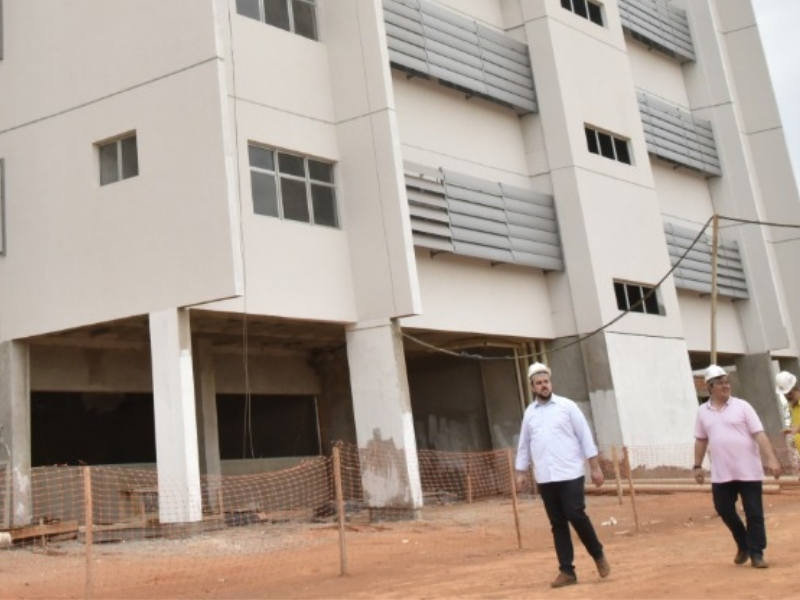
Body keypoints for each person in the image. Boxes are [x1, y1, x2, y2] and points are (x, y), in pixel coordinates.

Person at [515, 362, 609, 588]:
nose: (543, 386)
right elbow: (524, 445)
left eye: (546, 381)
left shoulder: (567, 406)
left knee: (575, 513)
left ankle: (597, 554)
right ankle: (567, 571)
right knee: (557, 523)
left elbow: (585, 435)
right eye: (539, 383)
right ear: (532, 387)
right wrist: (521, 471)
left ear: (551, 383)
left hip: (570, 472)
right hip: (546, 477)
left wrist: (595, 467)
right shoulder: (530, 414)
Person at [694, 365, 782, 568]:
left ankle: (757, 553)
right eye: (720, 383)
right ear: (709, 387)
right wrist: (697, 466)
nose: (726, 386)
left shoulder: (743, 407)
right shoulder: (702, 412)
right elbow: (700, 439)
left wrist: (771, 459)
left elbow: (759, 434)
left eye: (727, 382)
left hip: (749, 470)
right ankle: (743, 543)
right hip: (721, 472)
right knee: (723, 509)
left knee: (754, 513)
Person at [775, 370, 800, 475]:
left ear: (795, 388)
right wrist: (790, 430)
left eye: (789, 394)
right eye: (785, 395)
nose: (787, 397)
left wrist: (797, 429)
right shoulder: (791, 406)